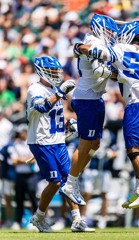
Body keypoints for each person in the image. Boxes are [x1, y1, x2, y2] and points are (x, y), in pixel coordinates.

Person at [78, 20, 139, 208]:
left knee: (132, 149)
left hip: (135, 104)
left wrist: (80, 47)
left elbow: (98, 52)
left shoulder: (122, 48)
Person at [26, 55, 92, 233]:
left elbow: (52, 119)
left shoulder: (55, 89)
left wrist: (68, 125)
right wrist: (60, 93)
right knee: (55, 182)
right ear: (41, 72)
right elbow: (41, 108)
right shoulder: (35, 89)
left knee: (70, 180)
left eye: (56, 70)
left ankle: (77, 219)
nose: (55, 74)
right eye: (52, 71)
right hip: (41, 142)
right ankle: (39, 217)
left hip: (58, 141)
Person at [59, 14, 118, 205]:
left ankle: (73, 178)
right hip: (87, 98)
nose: (111, 34)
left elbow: (107, 72)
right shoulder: (94, 41)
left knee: (95, 145)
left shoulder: (100, 45)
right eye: (108, 30)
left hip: (94, 98)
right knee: (86, 144)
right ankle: (71, 182)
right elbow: (84, 49)